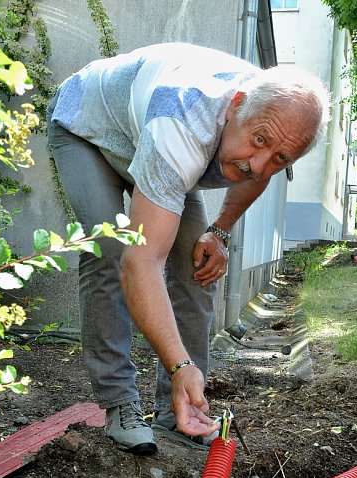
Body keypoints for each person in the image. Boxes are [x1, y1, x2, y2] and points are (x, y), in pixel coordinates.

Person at [46, 42, 330, 456]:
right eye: (259, 140)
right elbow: (140, 262)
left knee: (199, 260)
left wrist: (219, 231)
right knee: (111, 251)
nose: (259, 162)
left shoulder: (267, 125)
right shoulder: (183, 120)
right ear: (235, 106)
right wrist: (180, 364)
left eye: (280, 157)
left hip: (154, 143)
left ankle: (178, 412)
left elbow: (257, 173)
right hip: (89, 130)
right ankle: (120, 404)